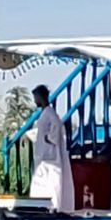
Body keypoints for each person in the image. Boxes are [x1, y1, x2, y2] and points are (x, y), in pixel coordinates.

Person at [28, 82, 76, 212]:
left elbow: (56, 128)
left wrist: (48, 139)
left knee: (53, 183)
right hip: (44, 156)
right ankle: (43, 206)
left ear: (40, 97)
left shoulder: (50, 113)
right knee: (42, 182)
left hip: (50, 156)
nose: (35, 100)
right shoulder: (44, 113)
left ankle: (55, 207)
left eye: (36, 97)